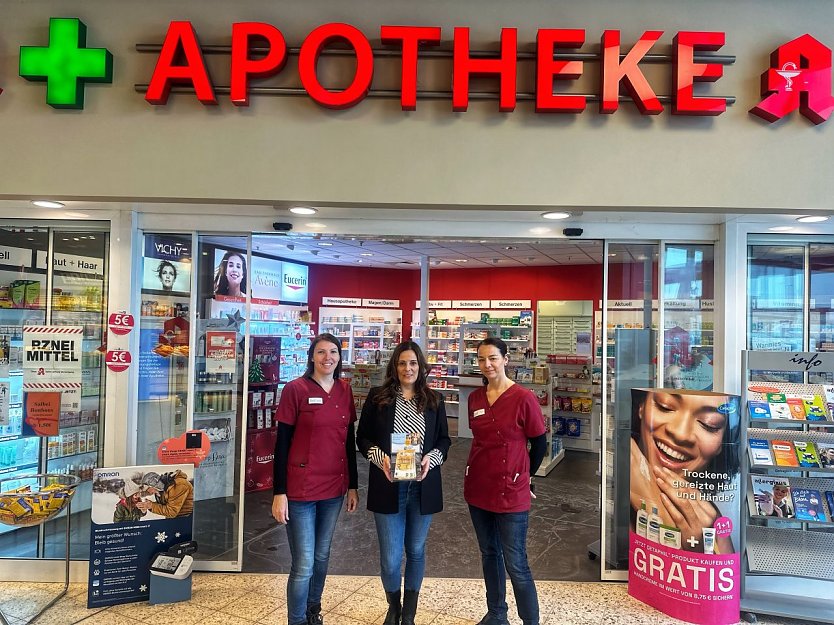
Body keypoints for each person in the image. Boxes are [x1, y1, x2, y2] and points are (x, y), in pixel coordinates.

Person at [357, 341, 451, 625]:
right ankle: (393, 604)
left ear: (421, 366)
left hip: (422, 486)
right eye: (402, 363)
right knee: (390, 556)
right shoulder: (378, 398)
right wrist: (380, 458)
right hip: (389, 485)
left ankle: (409, 612)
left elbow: (445, 441)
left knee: (417, 550)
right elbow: (362, 438)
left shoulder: (434, 399)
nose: (408, 369)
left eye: (413, 363)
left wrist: (431, 459)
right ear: (394, 367)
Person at [272, 333, 359, 625]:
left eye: (333, 352)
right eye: (321, 352)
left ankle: (313, 611)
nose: (327, 358)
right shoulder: (295, 390)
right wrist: (279, 492)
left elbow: (349, 441)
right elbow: (281, 443)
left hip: (334, 488)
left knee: (322, 556)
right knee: (304, 564)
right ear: (312, 356)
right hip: (300, 490)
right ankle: (296, 620)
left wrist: (354, 486)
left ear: (339, 356)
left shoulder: (345, 391)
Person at [464, 337, 547, 625]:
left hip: (511, 491)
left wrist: (526, 478)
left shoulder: (524, 398)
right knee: (489, 553)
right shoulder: (475, 398)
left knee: (516, 563)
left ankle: (530, 622)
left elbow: (539, 444)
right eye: (482, 359)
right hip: (478, 487)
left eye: (493, 358)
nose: (487, 365)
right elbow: (479, 441)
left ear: (506, 359)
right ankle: (497, 614)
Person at [629, 390, 740, 554]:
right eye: (665, 406)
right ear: (641, 407)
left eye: (709, 424)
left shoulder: (710, 518)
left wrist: (655, 506)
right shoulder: (615, 487)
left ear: (722, 444)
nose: (680, 433)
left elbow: (723, 576)